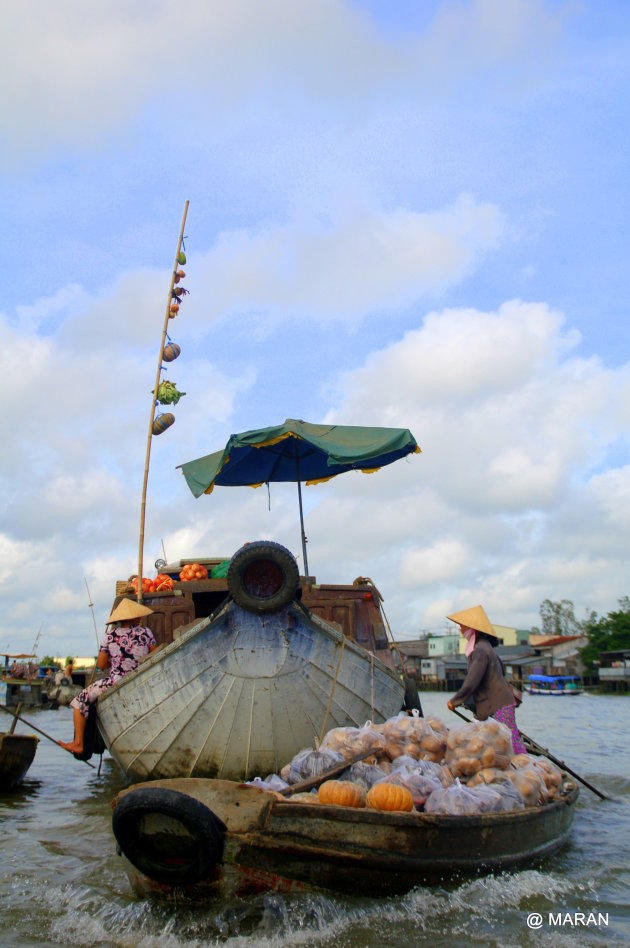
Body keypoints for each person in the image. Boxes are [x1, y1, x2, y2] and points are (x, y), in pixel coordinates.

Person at [59, 598, 157, 755]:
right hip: (141, 678)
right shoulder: (146, 632)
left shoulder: (110, 635)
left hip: (116, 682)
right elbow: (154, 655)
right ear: (134, 617)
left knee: (79, 701)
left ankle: (78, 743)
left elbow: (101, 664)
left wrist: (117, 661)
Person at [446, 604, 527, 755]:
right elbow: (500, 671)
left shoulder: (480, 650)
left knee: (508, 744)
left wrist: (454, 701)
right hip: (499, 704)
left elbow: (472, 681)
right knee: (505, 743)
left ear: (472, 628)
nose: (460, 629)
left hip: (498, 706)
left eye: (463, 626)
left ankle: (527, 770)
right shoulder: (484, 647)